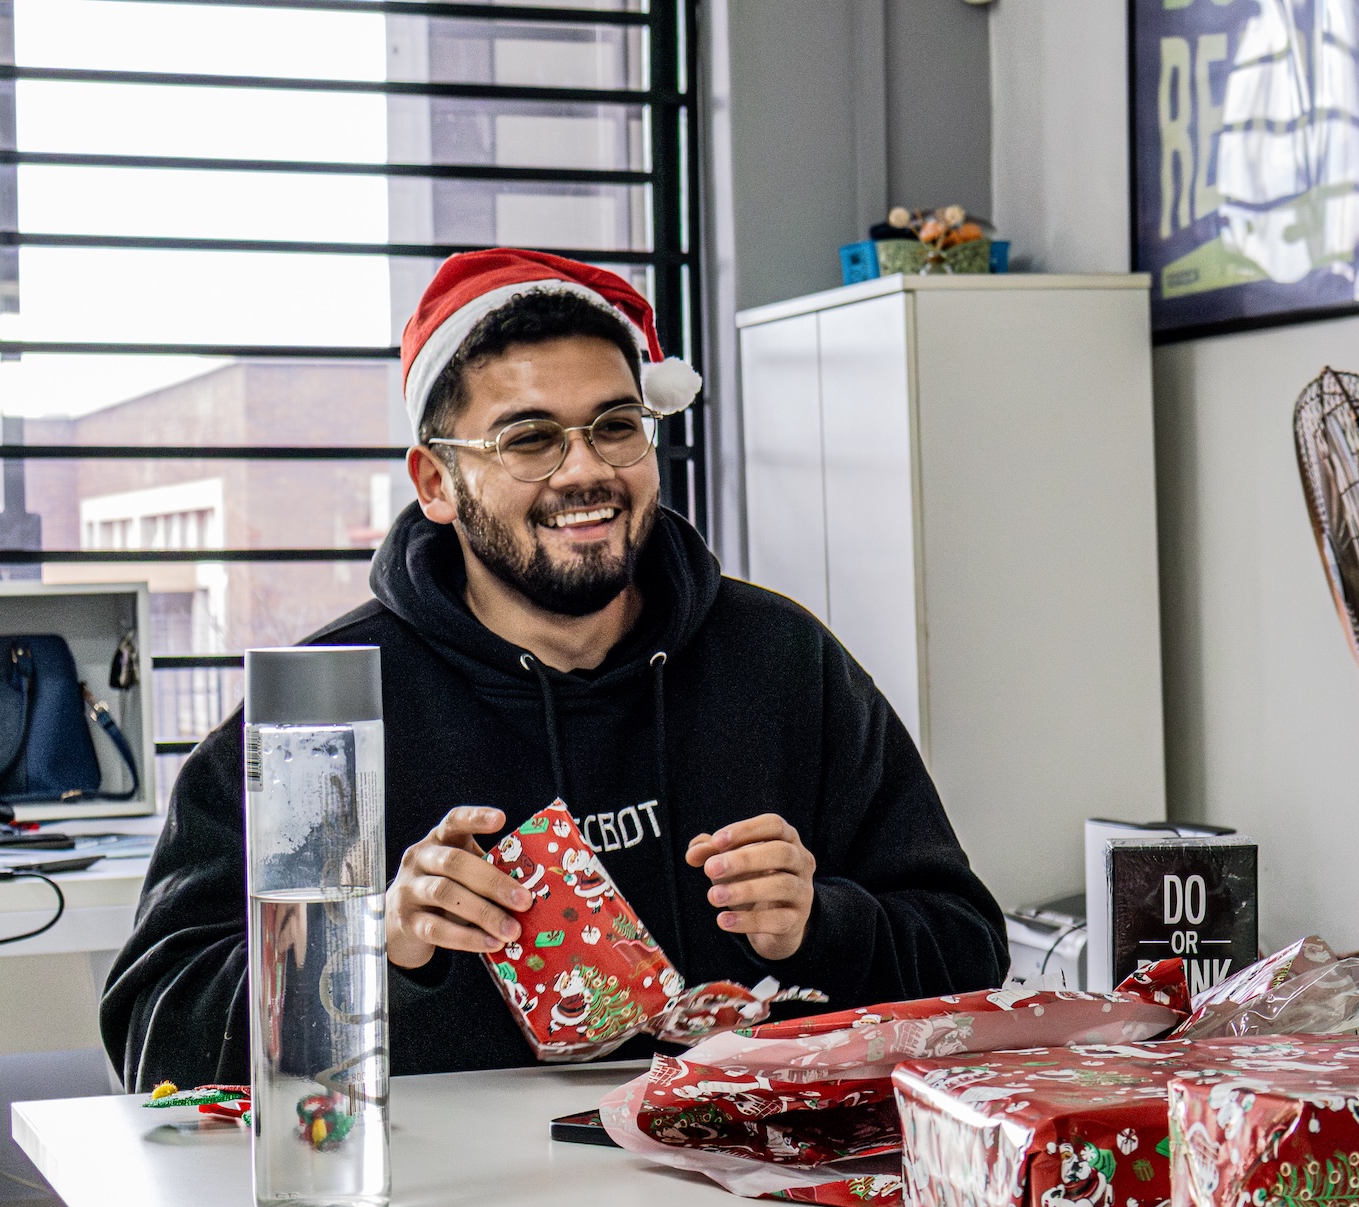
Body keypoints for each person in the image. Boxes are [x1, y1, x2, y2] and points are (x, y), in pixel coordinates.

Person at [101, 249, 1008, 1091]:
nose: (587, 471)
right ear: (435, 483)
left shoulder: (781, 662)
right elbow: (155, 1039)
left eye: (616, 426)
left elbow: (971, 950)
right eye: (529, 439)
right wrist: (372, 944)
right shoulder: (326, 717)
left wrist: (825, 924)